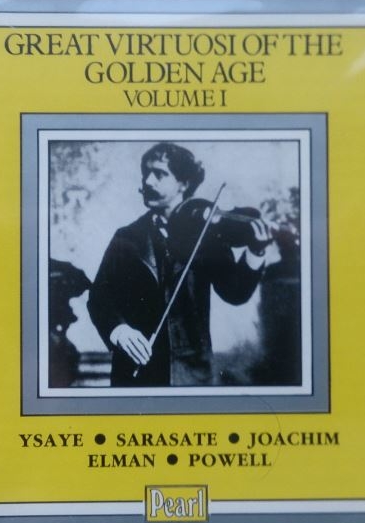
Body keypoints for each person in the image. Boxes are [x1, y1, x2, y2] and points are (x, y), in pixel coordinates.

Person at [87, 143, 270, 387]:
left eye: (160, 174)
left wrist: (256, 252)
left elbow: (235, 293)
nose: (148, 181)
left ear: (184, 183)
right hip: (136, 372)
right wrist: (120, 331)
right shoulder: (126, 237)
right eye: (146, 173)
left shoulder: (207, 235)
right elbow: (99, 297)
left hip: (192, 374)